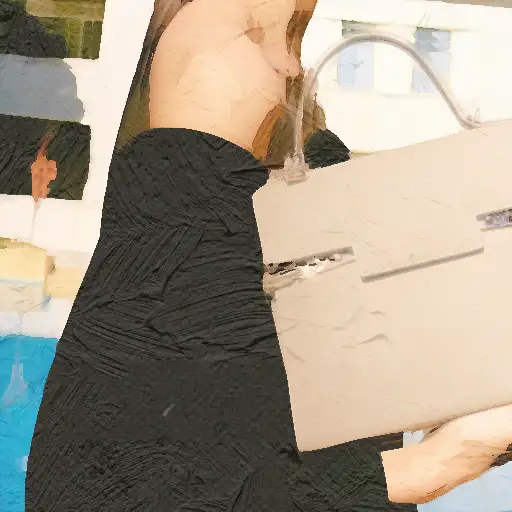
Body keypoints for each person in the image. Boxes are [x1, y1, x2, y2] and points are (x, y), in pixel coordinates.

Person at [25, 0, 512, 510]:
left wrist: (434, 463)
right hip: (265, 375)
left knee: (240, 50)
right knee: (251, 65)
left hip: (181, 352)